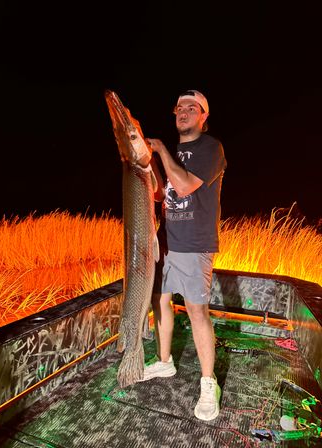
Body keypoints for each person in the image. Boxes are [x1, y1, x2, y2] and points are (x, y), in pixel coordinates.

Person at [141, 89, 227, 422]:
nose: (184, 112)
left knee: (196, 310)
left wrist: (161, 149)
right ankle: (164, 361)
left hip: (194, 243)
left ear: (204, 116)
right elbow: (163, 193)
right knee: (159, 301)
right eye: (179, 107)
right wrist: (145, 165)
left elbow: (187, 185)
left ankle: (209, 383)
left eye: (192, 108)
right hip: (165, 241)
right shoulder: (173, 151)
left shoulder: (210, 148)